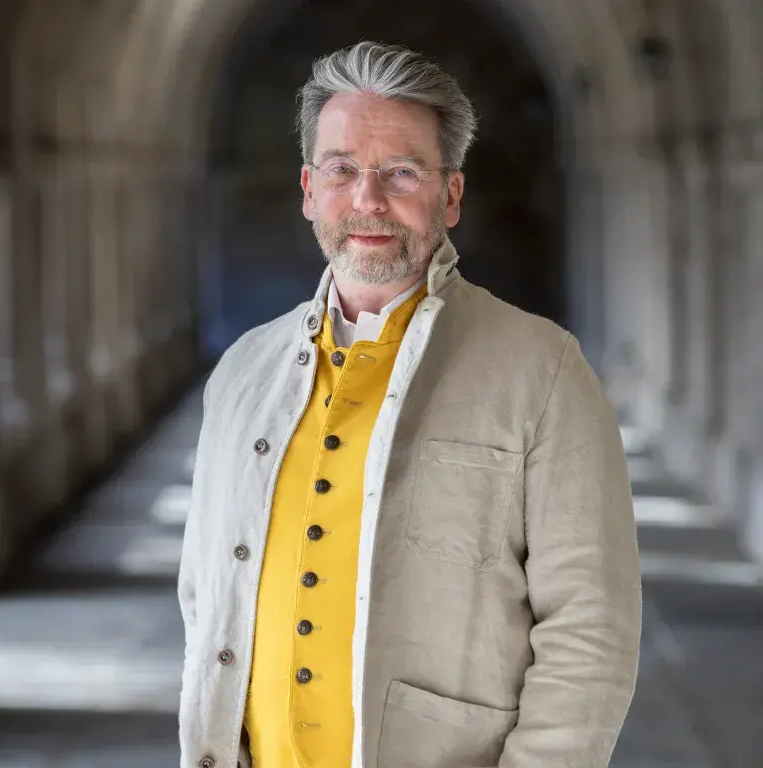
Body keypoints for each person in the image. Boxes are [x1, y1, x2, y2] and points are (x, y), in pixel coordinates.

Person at [177, 41, 642, 768]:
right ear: (308, 188)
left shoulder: (543, 371)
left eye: (401, 172)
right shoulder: (241, 375)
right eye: (342, 171)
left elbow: (591, 630)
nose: (368, 200)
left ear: (450, 194)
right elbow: (206, 599)